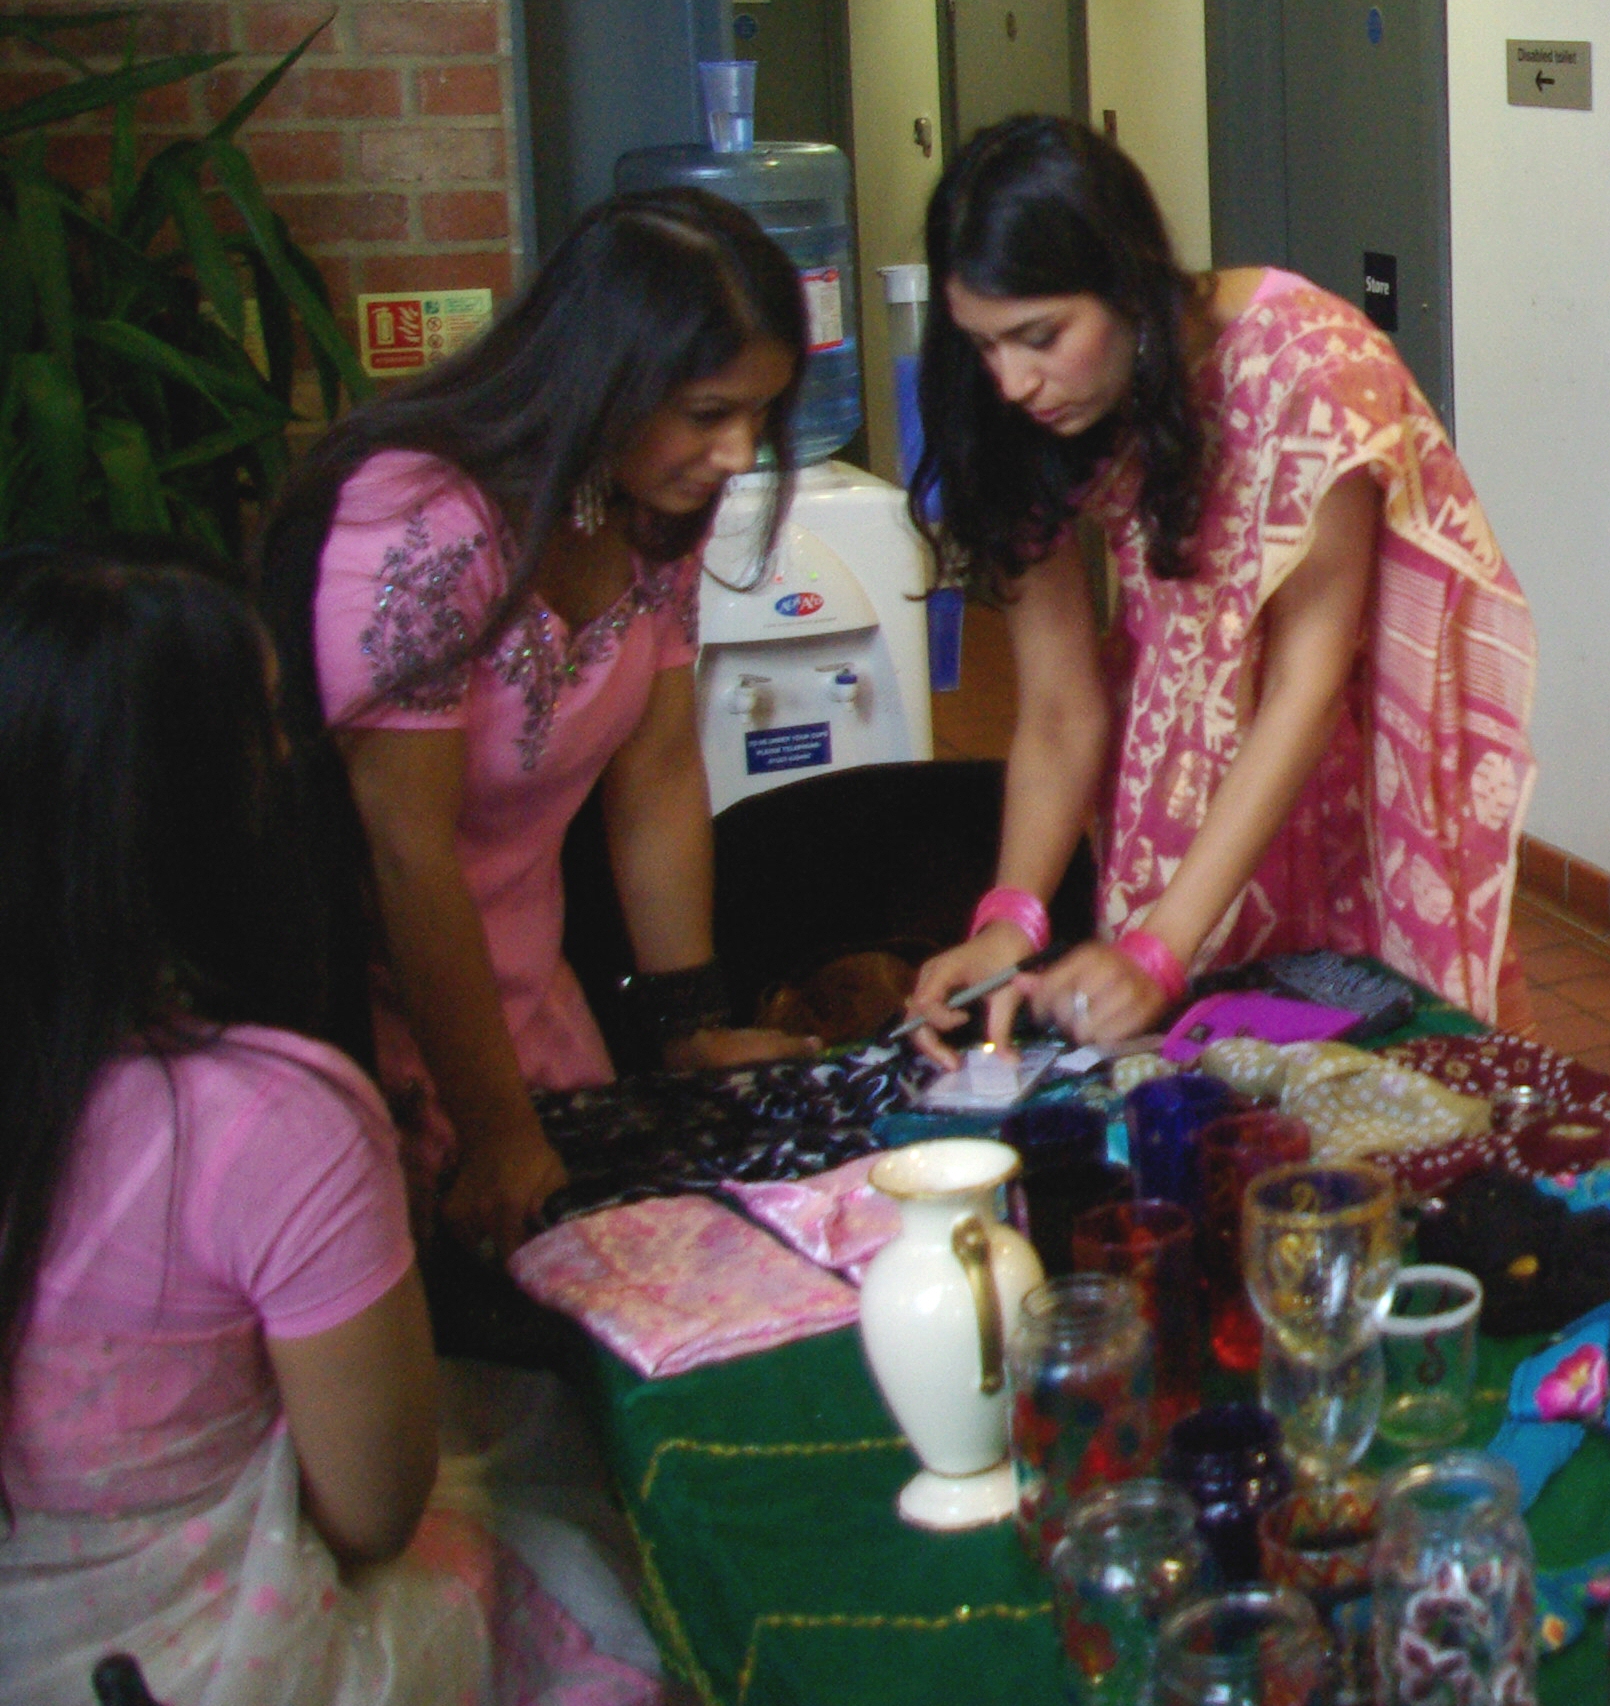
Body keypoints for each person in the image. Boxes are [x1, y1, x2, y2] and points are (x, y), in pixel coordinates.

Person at [0, 544, 671, 1706]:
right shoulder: (267, 1122)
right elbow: (373, 1511)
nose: (299, 761)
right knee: (610, 1590)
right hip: (207, 1676)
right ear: (190, 809)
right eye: (265, 730)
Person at [258, 189, 812, 1263]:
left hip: (530, 991)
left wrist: (686, 1026)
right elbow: (404, 855)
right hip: (381, 1023)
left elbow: (653, 777)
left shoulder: (650, 517)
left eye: (760, 414)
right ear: (603, 383)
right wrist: (497, 1130)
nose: (740, 454)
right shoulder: (421, 522)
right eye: (707, 414)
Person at [902, 117, 1537, 1046]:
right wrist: (1011, 922)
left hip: (1334, 805)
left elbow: (1305, 687)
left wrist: (1161, 948)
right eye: (985, 345)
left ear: (1125, 278)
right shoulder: (1016, 413)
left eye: (1038, 336)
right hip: (1177, 797)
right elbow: (1058, 707)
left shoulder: (1306, 366)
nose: (1013, 382)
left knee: (1368, 1108)